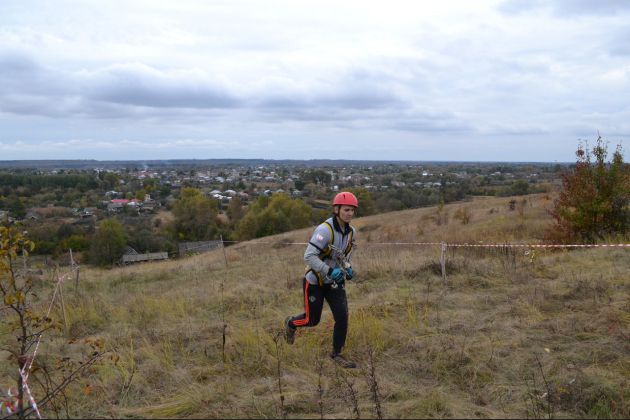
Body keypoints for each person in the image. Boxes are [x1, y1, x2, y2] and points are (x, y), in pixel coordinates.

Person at [284, 191, 358, 368]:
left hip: (335, 282)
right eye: (346, 210)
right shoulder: (324, 230)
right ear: (337, 209)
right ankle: (291, 323)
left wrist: (348, 268)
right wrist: (328, 270)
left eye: (352, 210)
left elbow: (342, 256)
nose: (350, 213)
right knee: (312, 320)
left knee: (342, 317)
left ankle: (337, 354)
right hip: (315, 281)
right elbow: (308, 256)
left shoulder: (351, 232)